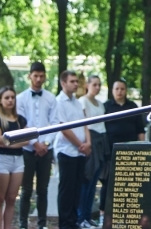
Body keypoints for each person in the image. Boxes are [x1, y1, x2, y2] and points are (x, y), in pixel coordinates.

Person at [16, 61, 58, 229]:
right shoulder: (20, 99)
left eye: (41, 76)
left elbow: (55, 122)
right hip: (28, 148)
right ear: (29, 76)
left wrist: (45, 144)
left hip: (46, 150)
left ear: (45, 77)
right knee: (25, 190)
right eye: (36, 76)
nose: (39, 79)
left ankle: (42, 225)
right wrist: (35, 143)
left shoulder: (51, 98)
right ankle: (23, 225)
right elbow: (21, 123)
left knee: (43, 190)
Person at [100, 79, 145, 213]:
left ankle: (128, 212)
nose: (119, 91)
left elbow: (140, 130)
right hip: (110, 151)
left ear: (126, 90)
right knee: (108, 183)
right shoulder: (105, 107)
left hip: (130, 150)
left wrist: (141, 148)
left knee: (129, 182)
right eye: (117, 89)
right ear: (112, 90)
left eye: (122, 89)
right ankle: (104, 212)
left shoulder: (133, 106)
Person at [54, 70, 92, 229]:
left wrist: (88, 143)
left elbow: (85, 124)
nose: (76, 84)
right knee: (66, 189)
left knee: (77, 188)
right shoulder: (58, 102)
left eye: (77, 81)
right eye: (72, 81)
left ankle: (73, 221)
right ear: (63, 83)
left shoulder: (78, 103)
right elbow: (64, 127)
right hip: (66, 151)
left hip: (80, 152)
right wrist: (79, 144)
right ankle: (65, 223)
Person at [0, 86, 28, 229]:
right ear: (0, 100)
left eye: (12, 97)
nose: (10, 100)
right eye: (7, 97)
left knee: (12, 198)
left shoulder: (21, 120)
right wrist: (17, 142)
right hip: (1, 159)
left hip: (18, 160)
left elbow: (27, 140)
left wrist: (9, 142)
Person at [78, 75, 110, 228]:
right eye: (94, 84)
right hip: (90, 139)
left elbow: (102, 125)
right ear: (87, 85)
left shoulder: (100, 104)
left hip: (101, 140)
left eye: (99, 85)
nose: (97, 87)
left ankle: (88, 216)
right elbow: (84, 125)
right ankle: (81, 217)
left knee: (95, 181)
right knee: (87, 179)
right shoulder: (82, 101)